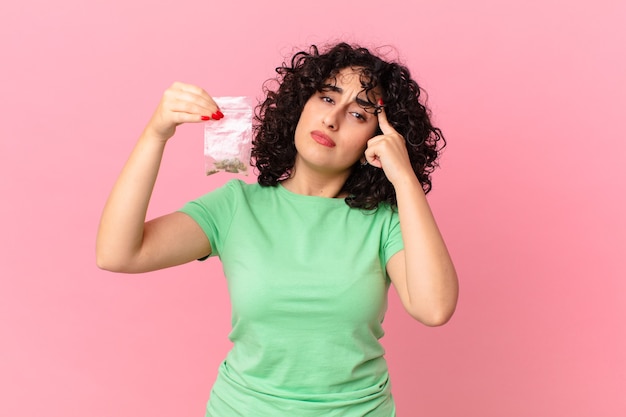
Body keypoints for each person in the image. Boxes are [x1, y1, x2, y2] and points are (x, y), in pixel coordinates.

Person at [97, 42, 459, 416]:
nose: (331, 119)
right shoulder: (237, 206)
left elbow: (434, 309)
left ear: (381, 137)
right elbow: (117, 253)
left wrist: (404, 179)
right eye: (325, 98)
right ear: (299, 105)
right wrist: (156, 134)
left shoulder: (385, 221)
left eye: (358, 114)